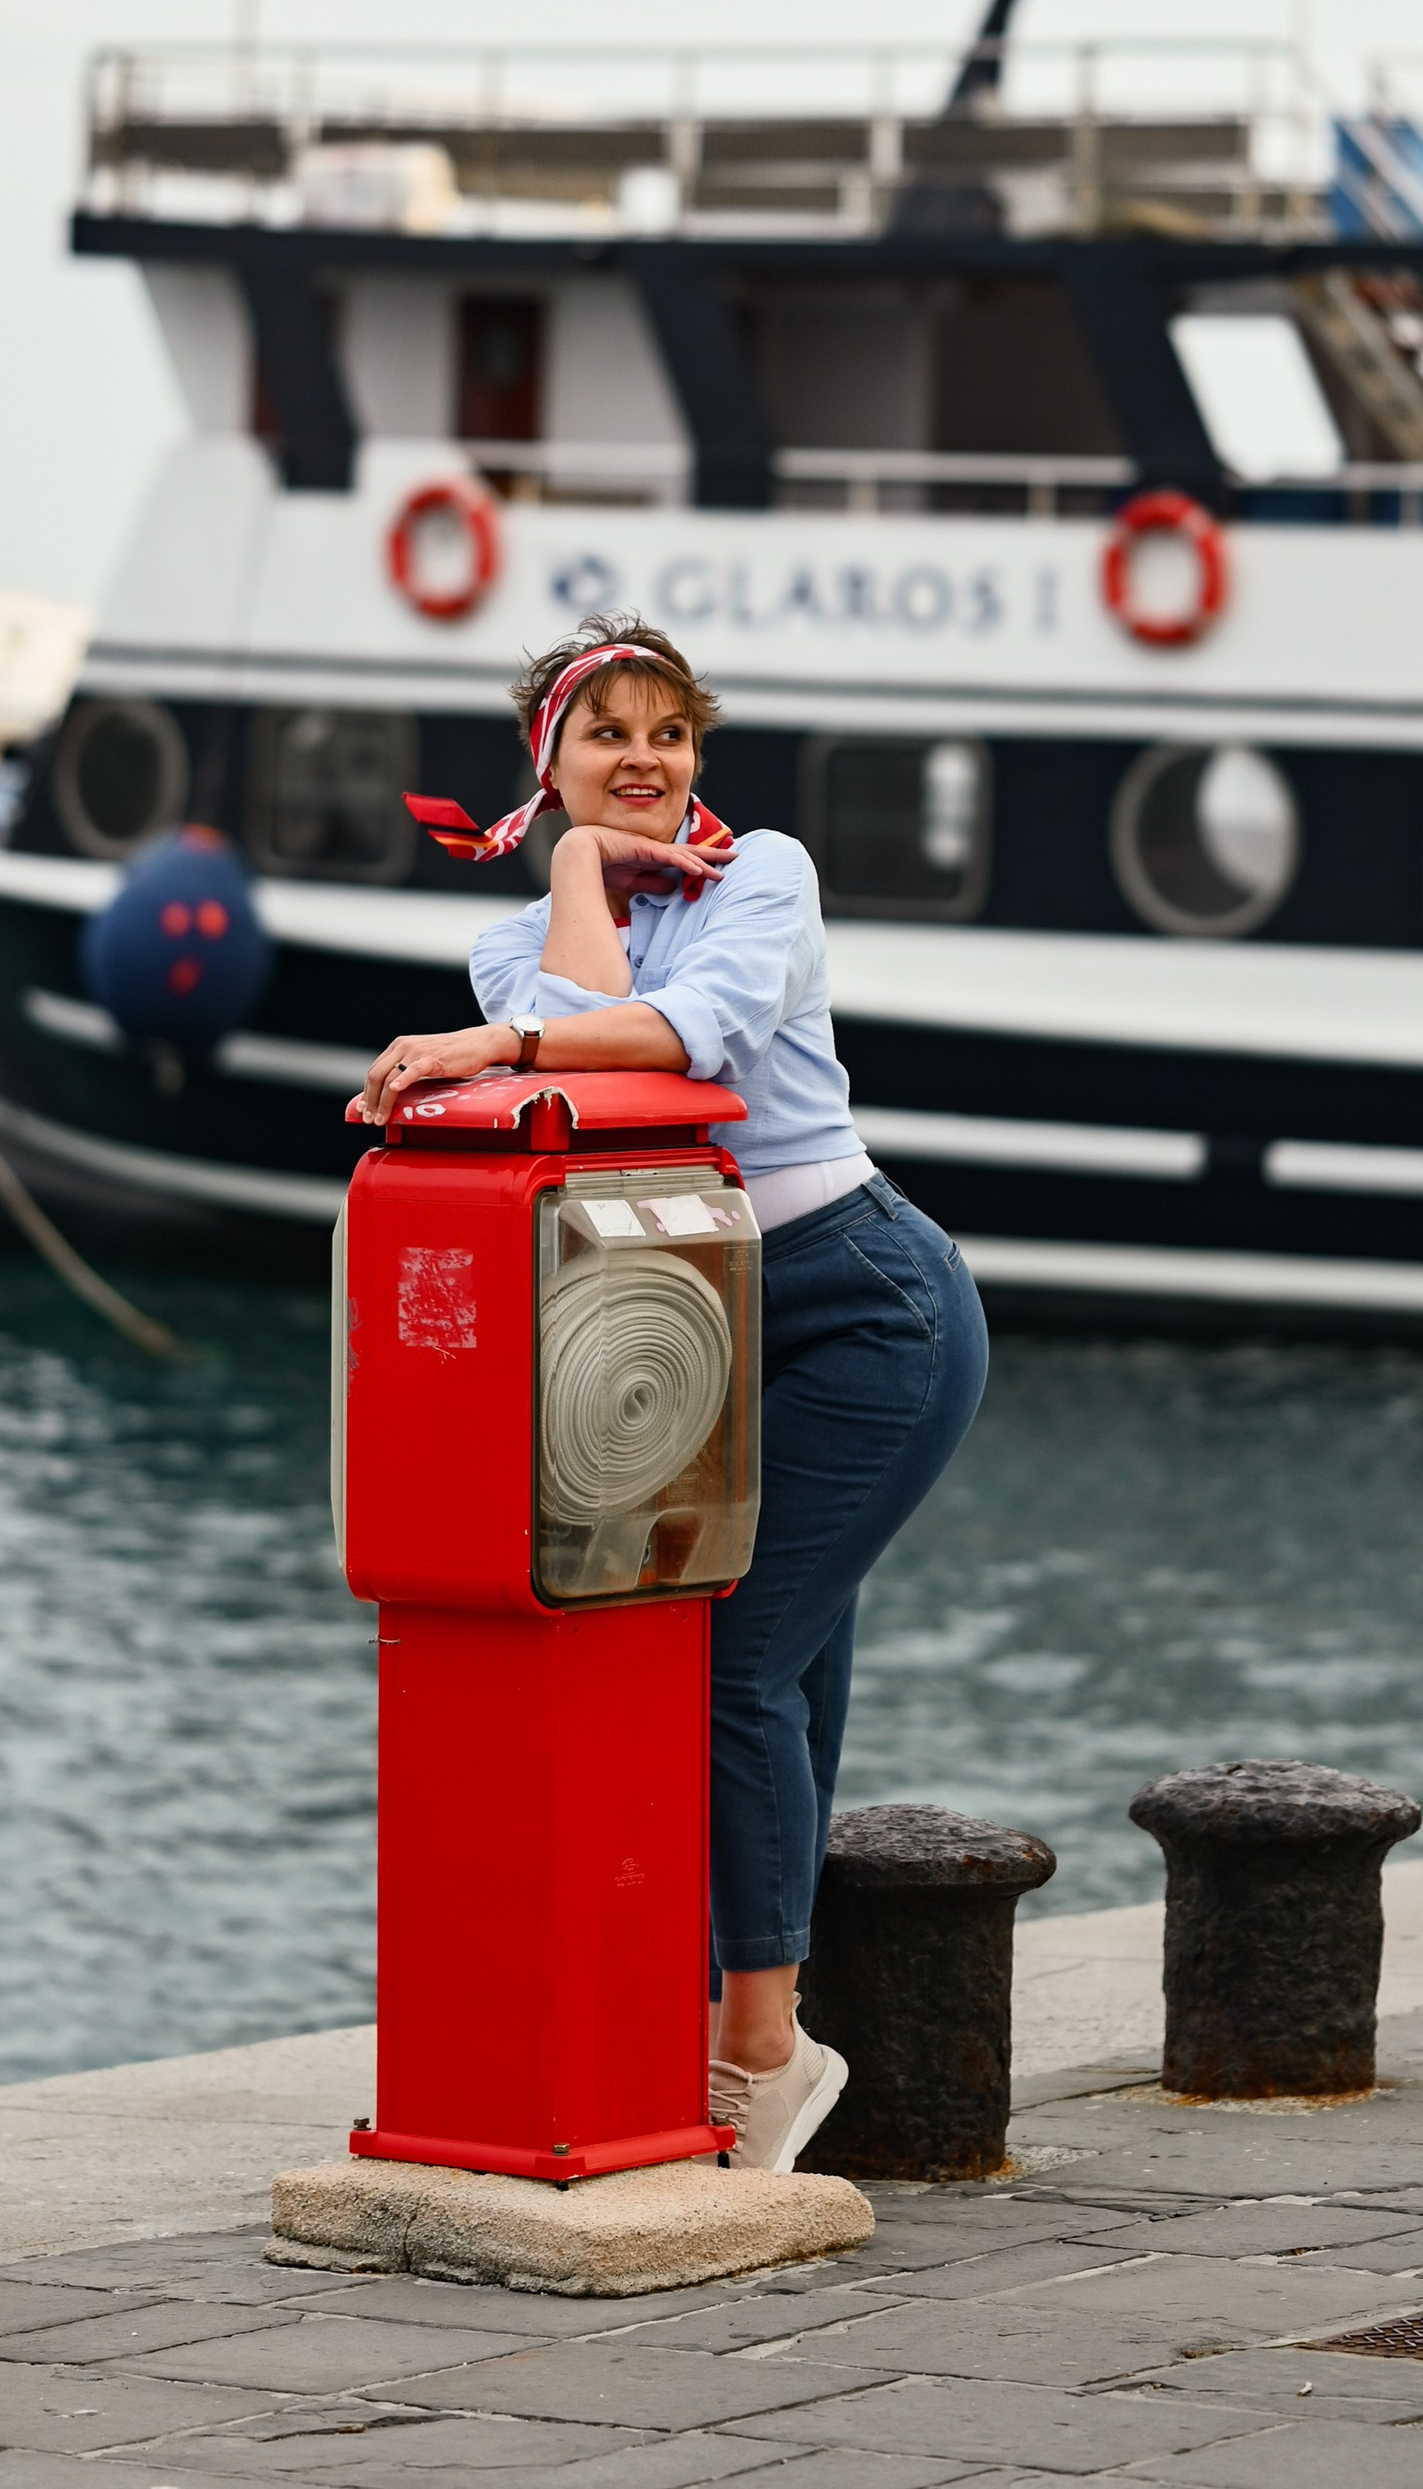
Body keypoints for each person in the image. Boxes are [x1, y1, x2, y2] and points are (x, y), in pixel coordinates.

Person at [356, 614, 989, 2173]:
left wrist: (504, 1032)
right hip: (696, 1312)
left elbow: (670, 1053)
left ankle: (762, 2050)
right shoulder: (521, 940)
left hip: (865, 1301)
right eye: (608, 737)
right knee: (792, 1668)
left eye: (670, 734)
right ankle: (759, 2011)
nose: (645, 762)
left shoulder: (763, 872)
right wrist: (577, 879)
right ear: (551, 765)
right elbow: (581, 1061)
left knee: (735, 1667)